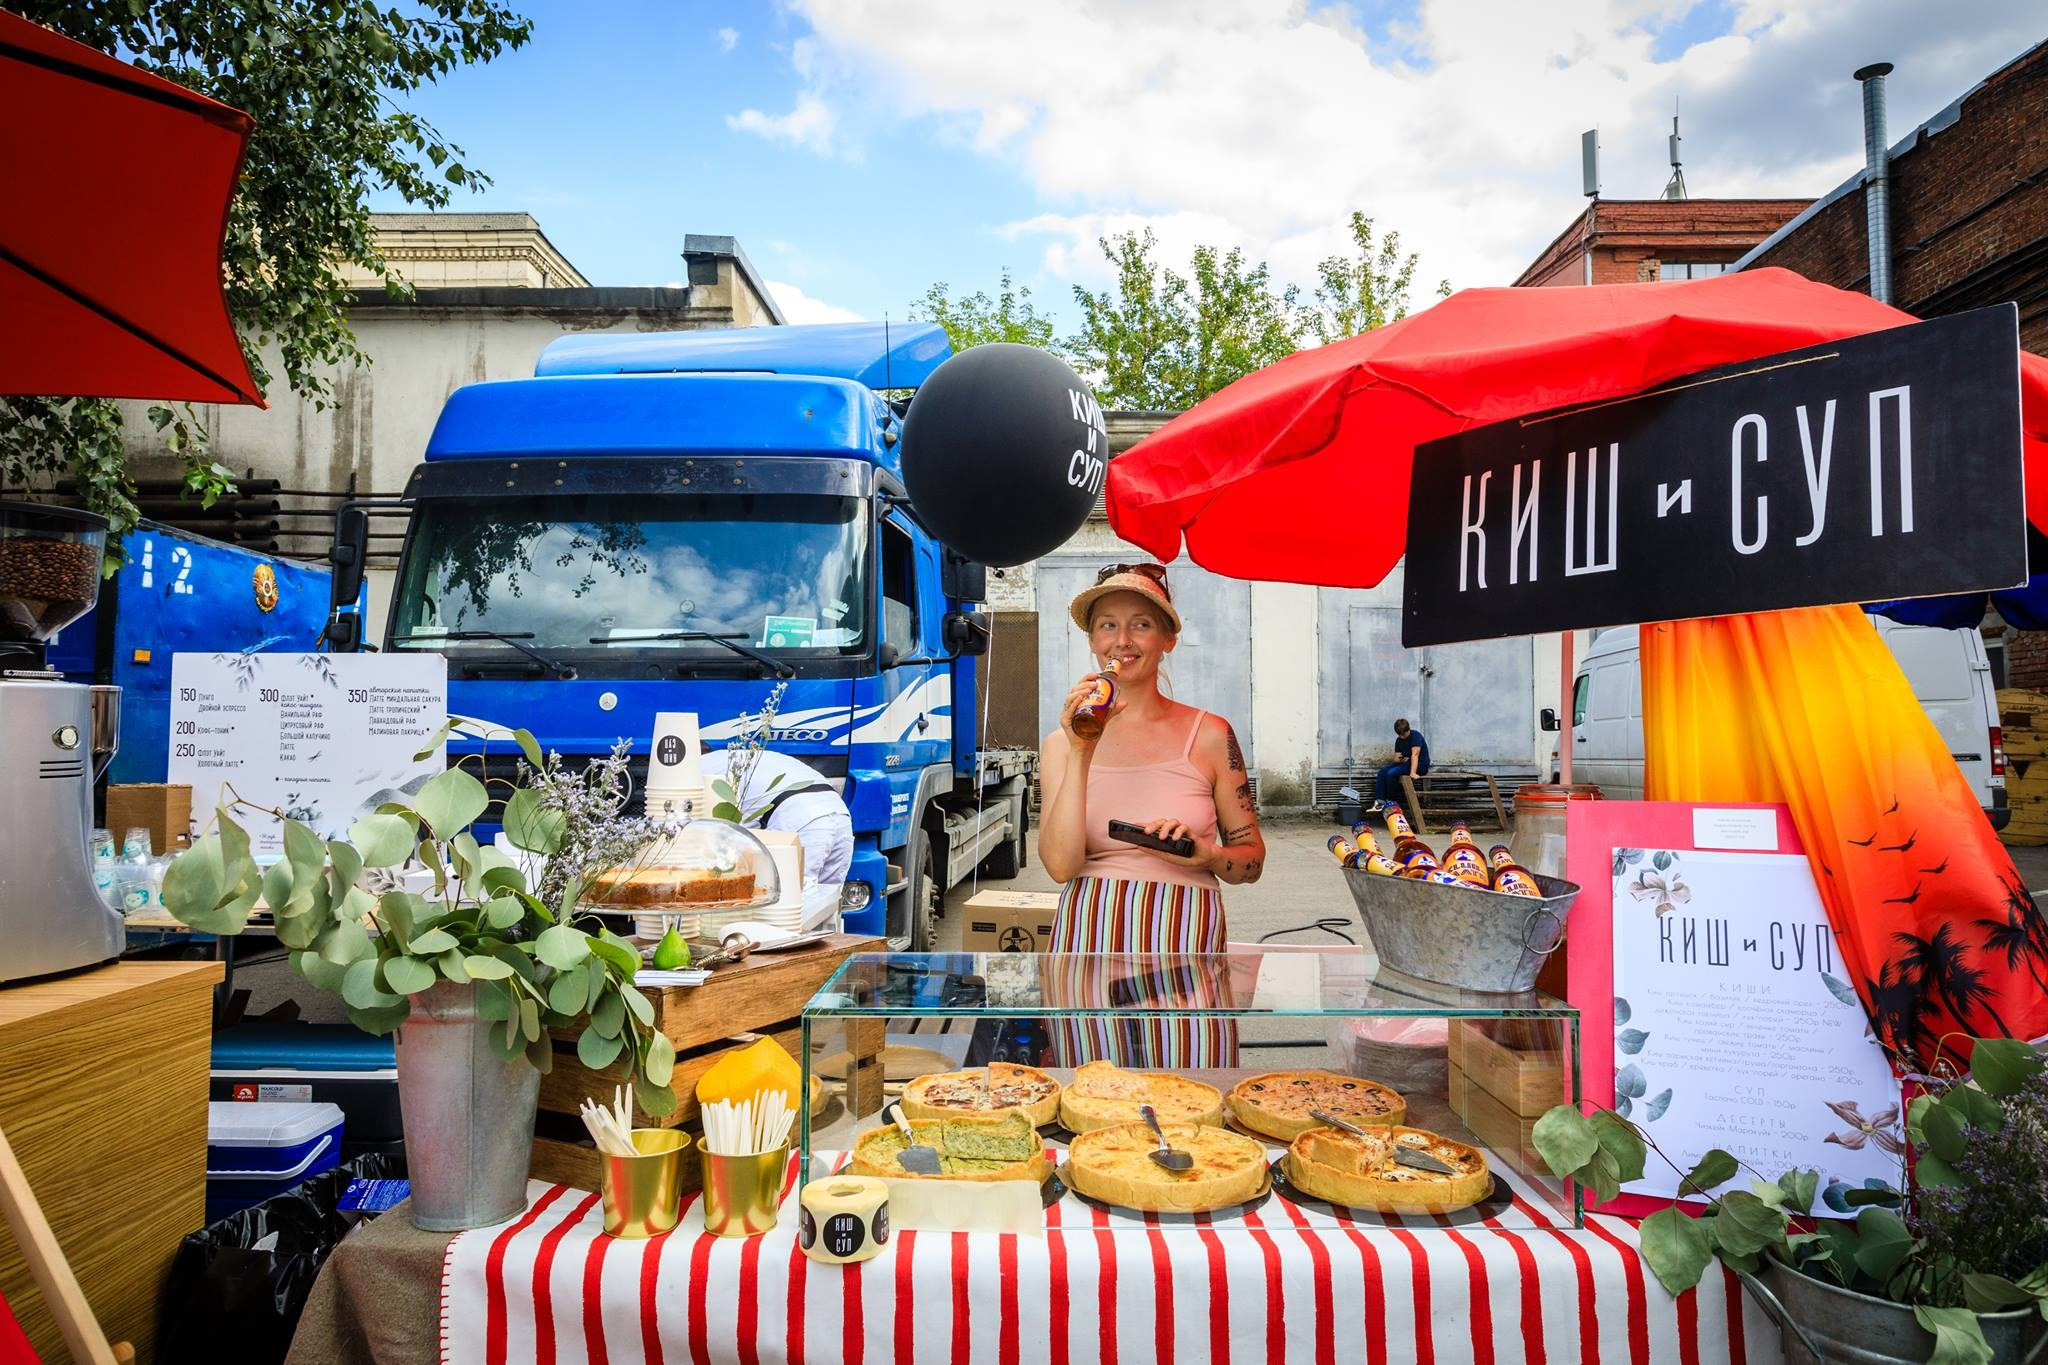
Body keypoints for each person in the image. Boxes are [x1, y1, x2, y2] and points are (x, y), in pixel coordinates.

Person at [1038, 563, 1266, 1066]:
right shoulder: (1061, 743)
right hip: (1088, 937)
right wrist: (1081, 749)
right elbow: (1060, 866)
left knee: (1195, 1092)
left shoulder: (1209, 733)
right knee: (1094, 1105)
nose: (1123, 639)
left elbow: (1251, 861)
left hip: (1185, 940)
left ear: (1167, 640)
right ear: (1093, 641)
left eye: (1141, 624)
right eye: (1107, 625)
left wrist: (1204, 854)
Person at [698, 747, 854, 934]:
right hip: (839, 813)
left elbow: (713, 834)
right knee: (827, 906)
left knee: (791, 911)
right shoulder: (738, 757)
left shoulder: (698, 769)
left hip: (799, 819)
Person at [1373, 717, 1431, 803]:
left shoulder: (1415, 736)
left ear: (1408, 730)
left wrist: (1413, 773)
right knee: (1382, 773)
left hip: (1420, 765)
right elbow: (1396, 759)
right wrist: (1403, 759)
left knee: (1391, 773)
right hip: (1406, 763)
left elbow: (1415, 755)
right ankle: (1379, 801)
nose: (1401, 736)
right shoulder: (1399, 740)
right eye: (1399, 734)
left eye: (1403, 734)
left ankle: (1391, 801)